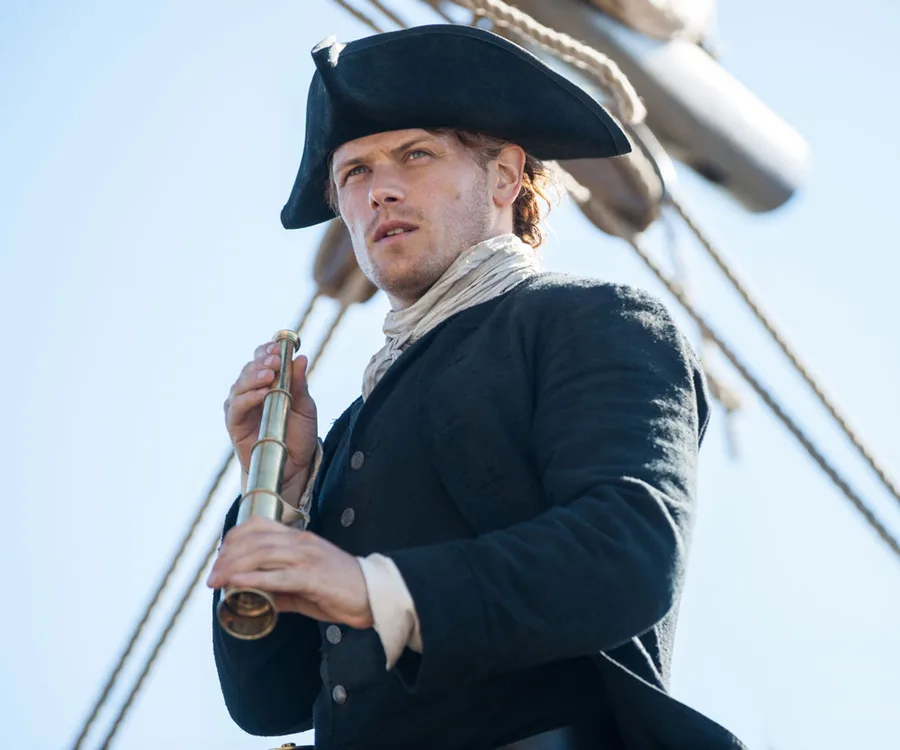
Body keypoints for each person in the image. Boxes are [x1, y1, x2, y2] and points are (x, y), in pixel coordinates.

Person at [207, 23, 746, 750]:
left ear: (505, 177)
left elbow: (629, 555)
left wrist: (373, 588)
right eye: (355, 173)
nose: (380, 191)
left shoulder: (596, 319)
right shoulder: (347, 430)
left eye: (415, 154)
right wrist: (282, 493)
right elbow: (266, 699)